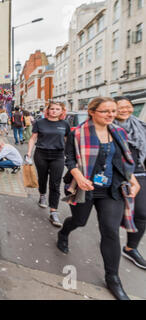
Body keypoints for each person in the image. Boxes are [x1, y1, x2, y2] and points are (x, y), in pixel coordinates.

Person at [58, 97, 141, 300]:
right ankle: (64, 233)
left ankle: (113, 278)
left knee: (110, 231)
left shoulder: (119, 132)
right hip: (85, 187)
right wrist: (78, 175)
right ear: (92, 112)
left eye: (113, 111)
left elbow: (123, 161)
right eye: (106, 111)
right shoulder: (78, 133)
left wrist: (132, 180)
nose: (111, 115)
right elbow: (68, 158)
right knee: (79, 221)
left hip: (112, 189)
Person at [114, 96, 146, 270]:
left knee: (142, 213)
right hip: (116, 175)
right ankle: (109, 237)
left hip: (139, 172)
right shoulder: (108, 128)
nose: (125, 110)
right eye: (120, 107)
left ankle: (130, 248)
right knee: (112, 216)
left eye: (128, 106)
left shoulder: (140, 127)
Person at [26, 102, 70, 227]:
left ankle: (53, 212)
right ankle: (42, 195)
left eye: (57, 109)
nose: (54, 111)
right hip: (41, 154)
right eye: (52, 109)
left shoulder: (65, 124)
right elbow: (33, 138)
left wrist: (71, 155)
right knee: (43, 178)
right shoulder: (40, 123)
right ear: (48, 110)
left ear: (62, 111)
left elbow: (68, 140)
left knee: (55, 183)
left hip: (58, 156)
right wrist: (29, 152)